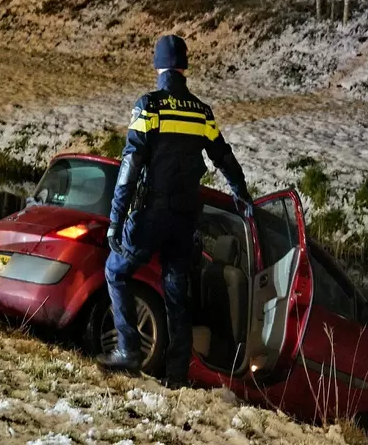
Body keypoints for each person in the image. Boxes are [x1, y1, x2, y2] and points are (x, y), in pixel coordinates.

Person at [95, 34, 254, 388]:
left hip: (152, 214)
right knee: (176, 293)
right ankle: (177, 376)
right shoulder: (201, 113)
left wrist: (116, 220)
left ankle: (129, 349)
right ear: (184, 66)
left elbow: (130, 166)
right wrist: (242, 195)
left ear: (157, 66)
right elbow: (224, 158)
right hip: (185, 221)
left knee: (116, 272)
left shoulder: (149, 107)